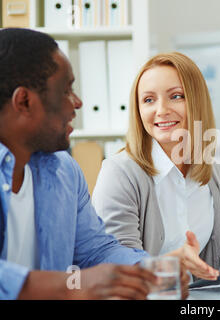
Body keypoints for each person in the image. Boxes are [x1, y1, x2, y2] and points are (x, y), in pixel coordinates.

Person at [0, 28, 189, 300]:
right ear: (24, 101)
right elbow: (77, 282)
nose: (77, 103)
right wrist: (71, 286)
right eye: (66, 90)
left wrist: (149, 271)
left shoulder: (64, 170)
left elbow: (95, 251)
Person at [92, 52, 220, 284]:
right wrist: (169, 264)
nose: (161, 110)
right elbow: (117, 261)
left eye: (176, 96)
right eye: (148, 100)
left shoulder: (211, 172)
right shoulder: (120, 173)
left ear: (196, 101)